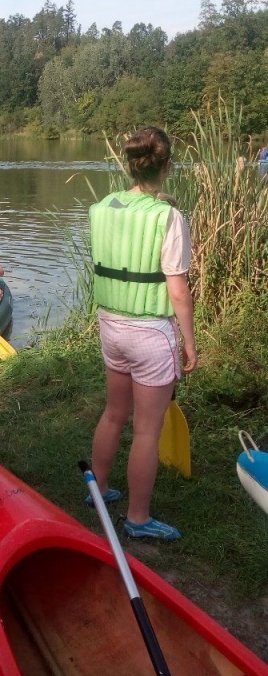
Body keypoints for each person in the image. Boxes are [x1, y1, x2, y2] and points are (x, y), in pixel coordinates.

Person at [87, 126, 198, 541]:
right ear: (167, 167)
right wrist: (189, 341)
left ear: (131, 165)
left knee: (114, 413)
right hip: (151, 333)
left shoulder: (104, 206)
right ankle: (137, 518)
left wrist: (158, 201)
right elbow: (178, 289)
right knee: (147, 431)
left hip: (111, 327)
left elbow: (133, 207)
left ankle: (97, 487)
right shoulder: (170, 218)